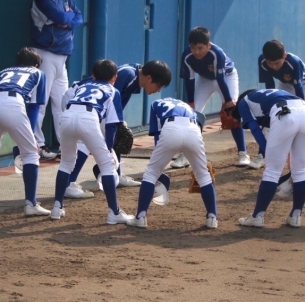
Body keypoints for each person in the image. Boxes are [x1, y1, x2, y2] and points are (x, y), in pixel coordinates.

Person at [63, 60, 172, 198]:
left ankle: (117, 174)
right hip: (77, 99)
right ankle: (69, 184)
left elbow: (115, 111)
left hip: (88, 103)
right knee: (85, 140)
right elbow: (109, 98)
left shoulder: (134, 77)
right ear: (149, 78)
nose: (159, 90)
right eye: (159, 85)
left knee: (119, 132)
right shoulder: (128, 74)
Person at [0, 47, 51, 219]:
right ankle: (31, 204)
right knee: (31, 154)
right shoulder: (38, 73)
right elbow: (34, 106)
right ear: (36, 64)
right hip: (14, 103)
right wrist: (31, 134)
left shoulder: (3, 72)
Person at [50, 59, 133, 224]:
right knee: (107, 166)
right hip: (88, 118)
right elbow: (111, 125)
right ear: (115, 78)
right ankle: (114, 213)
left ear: (93, 76)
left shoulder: (81, 86)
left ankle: (57, 208)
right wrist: (108, 149)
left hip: (67, 117)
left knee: (66, 163)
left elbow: (66, 102)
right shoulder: (113, 90)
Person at [126, 98, 218, 229]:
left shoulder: (156, 103)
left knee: (151, 174)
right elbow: (199, 124)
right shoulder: (186, 106)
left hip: (171, 128)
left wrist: (159, 167)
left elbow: (158, 135)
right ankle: (212, 218)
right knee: (203, 176)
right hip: (193, 129)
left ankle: (140, 218)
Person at [231, 89, 305, 228]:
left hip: (284, 114)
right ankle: (296, 216)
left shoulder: (243, 101)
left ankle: (257, 217)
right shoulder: (269, 95)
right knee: (300, 170)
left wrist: (266, 150)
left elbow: (254, 128)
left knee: (272, 171)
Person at [174, 26, 249, 168]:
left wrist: (228, 102)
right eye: (193, 47)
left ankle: (243, 153)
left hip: (227, 77)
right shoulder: (187, 56)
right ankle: (185, 155)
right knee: (191, 114)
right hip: (205, 80)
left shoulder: (216, 53)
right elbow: (189, 80)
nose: (196, 51)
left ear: (208, 45)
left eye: (200, 48)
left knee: (232, 114)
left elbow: (220, 79)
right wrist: (191, 102)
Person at [30, 0, 83, 159]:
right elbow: (61, 17)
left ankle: (65, 145)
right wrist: (66, 19)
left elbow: (79, 18)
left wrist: (66, 21)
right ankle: (38, 145)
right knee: (40, 102)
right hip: (45, 54)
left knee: (63, 103)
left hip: (62, 57)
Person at [258, 39, 305, 178]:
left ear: (284, 56)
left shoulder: (294, 62)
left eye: (277, 63)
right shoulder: (262, 61)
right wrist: (271, 105)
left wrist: (302, 110)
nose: (274, 67)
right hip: (284, 85)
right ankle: (262, 155)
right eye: (270, 63)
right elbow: (269, 85)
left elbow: (299, 88)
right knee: (272, 118)